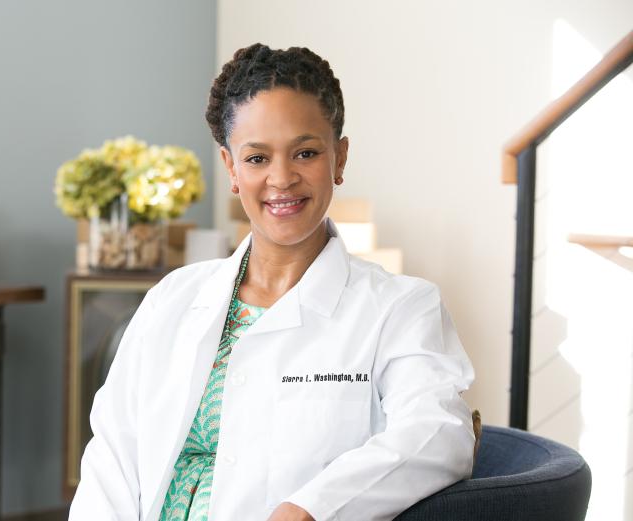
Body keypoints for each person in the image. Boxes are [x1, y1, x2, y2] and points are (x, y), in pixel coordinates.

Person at [69, 43, 475, 521]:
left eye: (305, 152)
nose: (282, 178)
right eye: (258, 158)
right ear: (231, 168)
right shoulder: (172, 299)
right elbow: (113, 453)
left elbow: (437, 433)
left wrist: (310, 508)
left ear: (339, 158)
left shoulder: (402, 307)